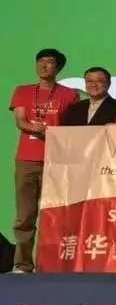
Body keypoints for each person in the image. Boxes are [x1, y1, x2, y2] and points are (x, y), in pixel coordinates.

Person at [9, 48, 79, 273]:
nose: (43, 65)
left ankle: (52, 264)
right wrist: (34, 128)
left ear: (58, 68)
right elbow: (20, 120)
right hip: (27, 159)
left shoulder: (70, 94)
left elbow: (71, 127)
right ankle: (22, 264)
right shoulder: (22, 91)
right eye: (40, 61)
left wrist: (51, 133)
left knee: (56, 215)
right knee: (25, 216)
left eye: (49, 62)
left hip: (57, 160)